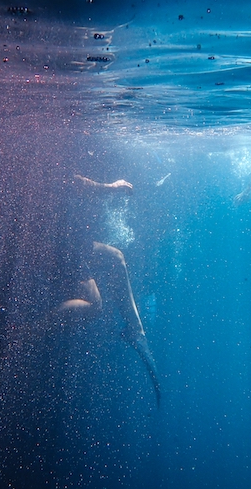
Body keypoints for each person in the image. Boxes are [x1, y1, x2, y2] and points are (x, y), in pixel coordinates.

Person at [56, 174, 161, 406]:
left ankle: (135, 331)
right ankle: (32, 332)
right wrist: (112, 187)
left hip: (68, 241)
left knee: (116, 257)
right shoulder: (52, 152)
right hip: (55, 244)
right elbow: (73, 182)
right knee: (94, 307)